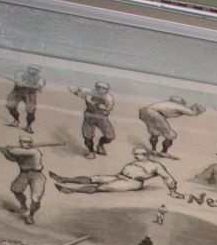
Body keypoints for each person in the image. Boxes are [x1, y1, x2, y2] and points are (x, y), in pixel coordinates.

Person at [52, 147, 182, 196]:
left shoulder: (155, 165)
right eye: (135, 154)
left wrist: (173, 191)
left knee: (101, 187)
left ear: (146, 155)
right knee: (95, 177)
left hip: (132, 183)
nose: (136, 156)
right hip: (119, 176)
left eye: (138, 154)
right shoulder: (136, 162)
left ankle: (71, 190)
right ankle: (64, 179)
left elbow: (168, 177)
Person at [0, 134, 45, 224]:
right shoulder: (20, 152)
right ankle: (23, 207)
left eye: (27, 142)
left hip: (36, 175)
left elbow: (15, 152)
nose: (25, 144)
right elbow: (12, 158)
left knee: (35, 197)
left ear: (31, 143)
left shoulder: (34, 151)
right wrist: (4, 151)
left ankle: (31, 216)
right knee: (15, 189)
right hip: (24, 174)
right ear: (20, 143)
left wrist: (9, 149)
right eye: (23, 142)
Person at [138, 95, 205, 156]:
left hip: (143, 111)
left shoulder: (164, 103)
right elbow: (192, 113)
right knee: (170, 135)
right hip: (154, 114)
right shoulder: (179, 106)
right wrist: (200, 109)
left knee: (154, 132)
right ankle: (164, 152)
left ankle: (153, 150)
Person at [68, 80, 115, 159]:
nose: (101, 89)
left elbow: (109, 108)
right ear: (96, 87)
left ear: (107, 90)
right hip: (89, 116)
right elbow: (73, 89)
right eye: (99, 87)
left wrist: (104, 108)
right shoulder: (89, 92)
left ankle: (100, 145)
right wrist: (77, 90)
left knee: (110, 136)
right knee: (87, 136)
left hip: (102, 117)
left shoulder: (108, 97)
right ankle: (91, 151)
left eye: (103, 88)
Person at [5, 64, 45, 133]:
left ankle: (28, 126)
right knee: (10, 106)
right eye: (32, 69)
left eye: (36, 70)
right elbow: (18, 82)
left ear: (38, 71)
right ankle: (16, 120)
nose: (34, 71)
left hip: (30, 94)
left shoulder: (41, 79)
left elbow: (40, 88)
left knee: (31, 111)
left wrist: (34, 86)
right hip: (17, 92)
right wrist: (21, 83)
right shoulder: (20, 73)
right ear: (29, 68)